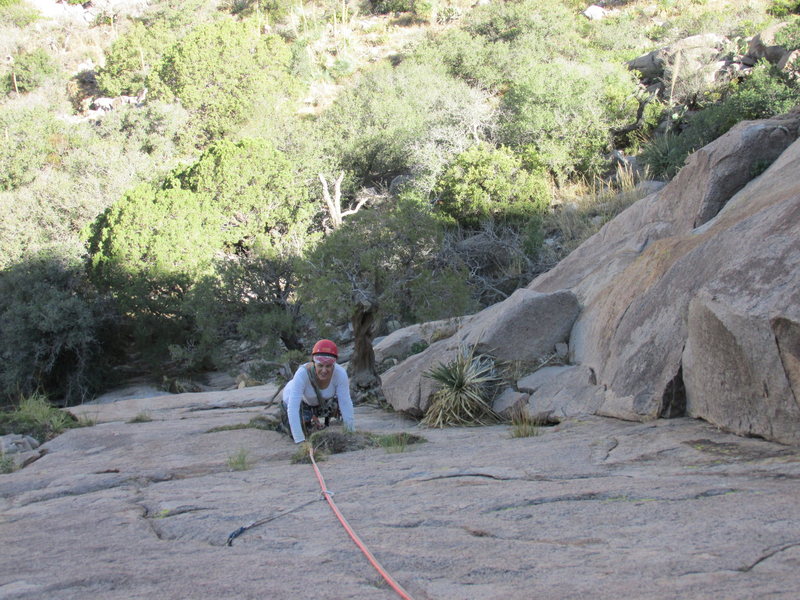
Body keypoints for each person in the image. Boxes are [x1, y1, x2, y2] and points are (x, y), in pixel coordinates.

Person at [281, 339, 355, 444]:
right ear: (314, 363)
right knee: (303, 433)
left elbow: (346, 403)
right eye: (320, 365)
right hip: (298, 402)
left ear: (333, 364)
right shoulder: (302, 374)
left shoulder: (340, 374)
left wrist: (350, 433)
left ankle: (316, 420)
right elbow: (293, 407)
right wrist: (300, 440)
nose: (324, 370)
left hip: (321, 402)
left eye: (328, 366)